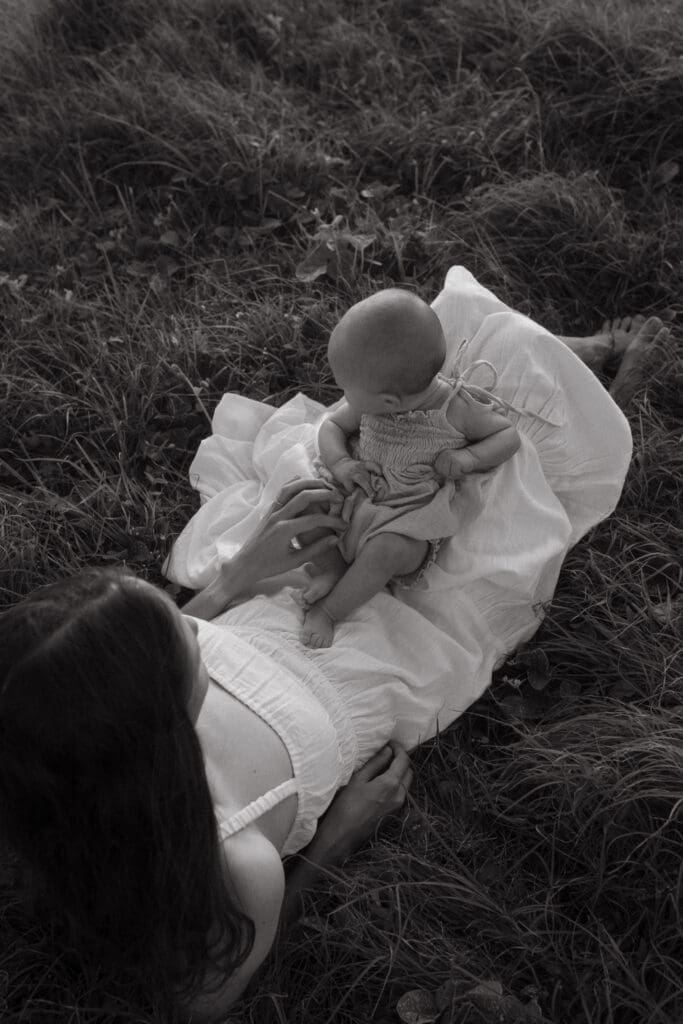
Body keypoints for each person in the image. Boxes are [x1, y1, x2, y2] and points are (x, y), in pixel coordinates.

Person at [0, 267, 663, 1021]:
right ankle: (591, 399)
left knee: (361, 455)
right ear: (166, 723)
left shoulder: (48, 743)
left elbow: (193, 633)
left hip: (280, 607)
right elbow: (197, 1005)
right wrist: (333, 840)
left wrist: (236, 578)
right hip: (368, 663)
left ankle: (506, 359)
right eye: (186, 630)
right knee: (493, 543)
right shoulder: (238, 862)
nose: (194, 619)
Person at [301, 287, 521, 647]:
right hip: (354, 498)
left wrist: (468, 458)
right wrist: (341, 465)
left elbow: (507, 436)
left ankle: (329, 610)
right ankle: (333, 568)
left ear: (389, 400)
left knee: (386, 550)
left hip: (406, 521)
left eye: (345, 388)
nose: (341, 394)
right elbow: (330, 426)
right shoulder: (369, 404)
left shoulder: (455, 409)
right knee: (304, 499)